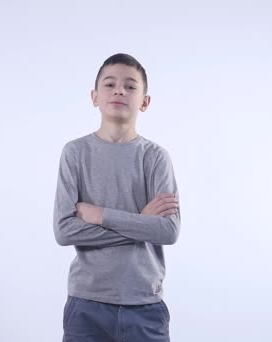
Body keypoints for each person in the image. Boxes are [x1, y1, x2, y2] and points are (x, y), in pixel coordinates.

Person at [53, 53, 181, 341]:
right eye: (109, 84)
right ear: (95, 96)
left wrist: (100, 216)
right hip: (86, 304)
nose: (119, 90)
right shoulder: (75, 153)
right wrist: (141, 223)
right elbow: (64, 231)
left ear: (145, 102)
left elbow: (168, 231)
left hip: (145, 305)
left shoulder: (156, 158)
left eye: (131, 86)